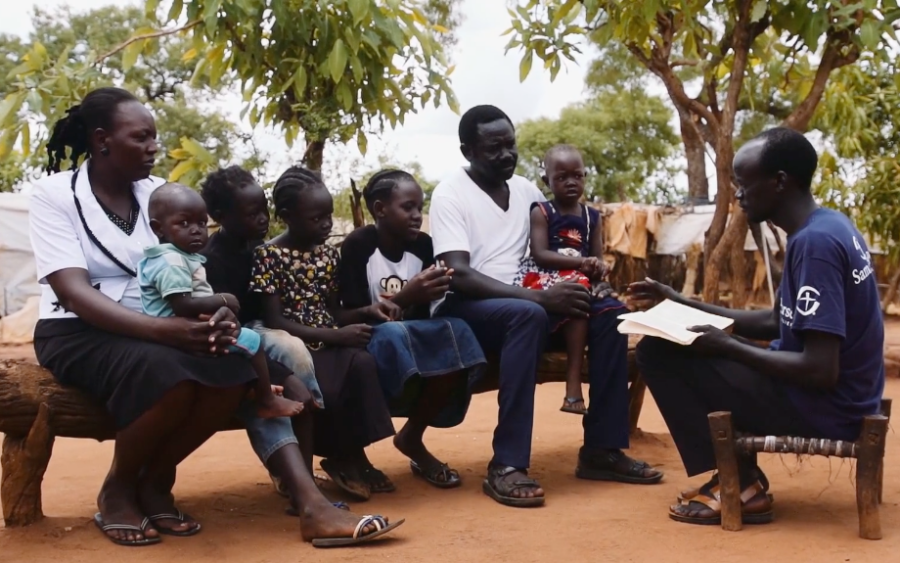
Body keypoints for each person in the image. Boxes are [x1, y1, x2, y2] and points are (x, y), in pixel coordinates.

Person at [29, 87, 254, 546]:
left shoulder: (159, 197)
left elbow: (190, 276)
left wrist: (214, 317)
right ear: (101, 140)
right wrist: (165, 331)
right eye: (142, 137)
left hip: (160, 327)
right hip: (76, 330)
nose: (154, 147)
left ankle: (154, 482)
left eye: (155, 137)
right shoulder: (54, 194)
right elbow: (71, 292)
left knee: (232, 367)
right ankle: (117, 489)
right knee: (164, 370)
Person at [628, 127, 885, 526]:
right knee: (680, 347)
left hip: (827, 407)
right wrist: (680, 303)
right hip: (841, 396)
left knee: (656, 353)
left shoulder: (814, 246)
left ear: (780, 181)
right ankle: (741, 476)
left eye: (744, 183)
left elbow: (820, 370)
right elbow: (773, 320)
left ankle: (741, 482)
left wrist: (725, 346)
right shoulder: (826, 226)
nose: (738, 195)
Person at [429, 105, 662, 508]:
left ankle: (601, 450)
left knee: (610, 315)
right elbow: (458, 274)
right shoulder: (450, 193)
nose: (506, 154)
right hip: (470, 305)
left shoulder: (527, 191)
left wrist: (588, 287)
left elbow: (552, 252)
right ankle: (507, 464)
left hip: (529, 296)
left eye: (511, 145)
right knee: (528, 315)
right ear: (468, 150)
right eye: (493, 148)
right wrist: (540, 298)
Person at [199, 166, 404, 546]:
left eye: (263, 208)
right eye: (252, 212)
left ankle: (337, 461)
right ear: (222, 218)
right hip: (244, 352)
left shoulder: (266, 249)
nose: (262, 218)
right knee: (298, 382)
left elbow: (324, 309)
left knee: (357, 362)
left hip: (268, 344)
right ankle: (305, 489)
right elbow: (252, 328)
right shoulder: (221, 260)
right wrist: (281, 372)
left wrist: (360, 316)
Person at [250, 166, 398, 500]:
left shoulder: (328, 254)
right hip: (294, 347)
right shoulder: (268, 256)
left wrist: (364, 313)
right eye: (317, 218)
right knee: (327, 385)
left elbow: (334, 311)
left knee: (363, 365)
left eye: (329, 216)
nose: (327, 225)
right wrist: (335, 336)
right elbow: (276, 321)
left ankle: (350, 454)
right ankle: (340, 459)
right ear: (287, 216)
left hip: (328, 339)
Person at [339, 169, 487, 488]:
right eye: (407, 207)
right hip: (367, 336)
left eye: (420, 208)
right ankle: (353, 454)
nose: (417, 216)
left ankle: (412, 437)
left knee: (458, 331)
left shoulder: (424, 246)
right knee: (393, 335)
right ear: (380, 209)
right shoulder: (358, 245)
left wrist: (425, 297)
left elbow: (427, 311)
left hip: (410, 335)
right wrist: (406, 296)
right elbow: (349, 314)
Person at [138, 183, 303, 419]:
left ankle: (259, 389)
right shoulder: (172, 262)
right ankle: (266, 399)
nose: (196, 230)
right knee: (252, 342)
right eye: (184, 223)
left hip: (182, 327)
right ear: (158, 228)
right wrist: (223, 299)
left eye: (201, 224)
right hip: (182, 330)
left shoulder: (174, 257)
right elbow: (182, 305)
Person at [513, 145, 611, 415]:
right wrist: (582, 264)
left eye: (577, 176)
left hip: (578, 280)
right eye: (561, 177)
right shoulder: (542, 212)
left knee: (600, 301)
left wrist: (598, 271)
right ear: (547, 181)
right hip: (542, 280)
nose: (570, 182)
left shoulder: (592, 217)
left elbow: (597, 258)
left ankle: (579, 388)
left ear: (585, 176)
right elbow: (541, 254)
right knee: (576, 291)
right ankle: (573, 386)